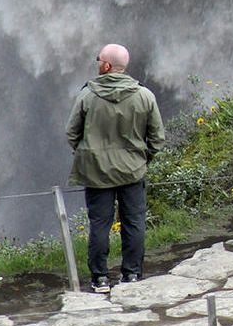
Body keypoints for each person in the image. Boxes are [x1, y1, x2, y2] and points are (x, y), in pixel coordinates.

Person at [67, 43, 166, 292]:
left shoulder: (87, 95)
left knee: (100, 225)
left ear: (107, 66)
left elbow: (71, 134)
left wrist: (88, 155)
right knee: (134, 223)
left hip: (97, 173)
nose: (97, 63)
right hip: (133, 171)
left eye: (99, 59)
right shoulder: (145, 96)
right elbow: (157, 137)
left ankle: (100, 279)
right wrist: (144, 159)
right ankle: (132, 275)